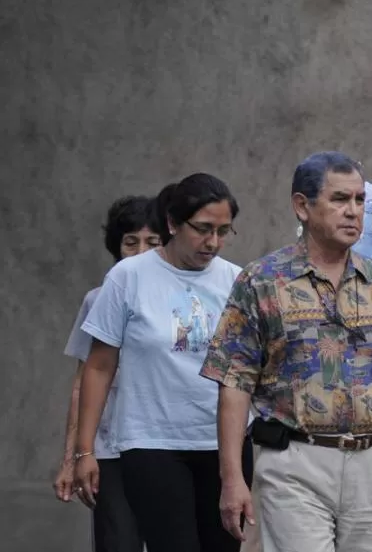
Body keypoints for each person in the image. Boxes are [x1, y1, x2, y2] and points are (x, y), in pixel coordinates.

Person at [199, 151, 372, 552]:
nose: (353, 211)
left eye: (359, 200)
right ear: (302, 206)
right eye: (339, 199)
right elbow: (234, 383)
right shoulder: (262, 281)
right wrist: (232, 479)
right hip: (295, 461)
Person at [74, 173, 252, 552]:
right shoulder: (127, 277)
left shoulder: (237, 280)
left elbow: (247, 368)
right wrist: (84, 449)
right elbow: (99, 366)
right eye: (203, 229)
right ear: (172, 223)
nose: (213, 242)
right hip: (151, 442)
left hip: (224, 445)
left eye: (223, 231)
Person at [53, 195, 158, 552]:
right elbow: (83, 383)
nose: (141, 251)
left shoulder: (184, 300)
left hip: (169, 448)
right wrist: (73, 458)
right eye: (131, 242)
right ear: (117, 247)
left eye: (153, 242)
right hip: (111, 450)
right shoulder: (97, 299)